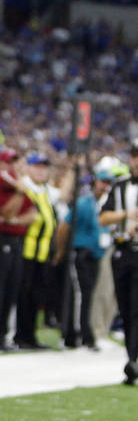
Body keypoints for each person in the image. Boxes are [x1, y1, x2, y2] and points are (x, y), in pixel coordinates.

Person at [0, 149, 37, 352]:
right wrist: (19, 194)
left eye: (17, 162)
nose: (14, 167)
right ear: (3, 165)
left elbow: (32, 215)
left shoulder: (17, 187)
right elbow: (6, 213)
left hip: (16, 240)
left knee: (11, 290)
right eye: (11, 162)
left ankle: (3, 336)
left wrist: (16, 220)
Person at [59, 166, 113, 351]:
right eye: (102, 182)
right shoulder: (83, 203)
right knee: (81, 295)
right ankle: (77, 335)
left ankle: (86, 334)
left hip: (96, 254)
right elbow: (64, 227)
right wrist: (61, 251)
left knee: (90, 296)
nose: (104, 186)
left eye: (108, 183)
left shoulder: (104, 205)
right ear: (94, 182)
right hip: (82, 253)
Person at [99, 141, 138, 385]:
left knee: (136, 308)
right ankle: (131, 358)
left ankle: (133, 360)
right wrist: (127, 215)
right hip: (123, 252)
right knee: (125, 308)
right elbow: (103, 217)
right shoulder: (120, 187)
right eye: (135, 156)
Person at [14, 153, 59, 350]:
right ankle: (21, 335)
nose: (41, 171)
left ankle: (30, 335)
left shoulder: (43, 190)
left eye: (44, 167)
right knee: (24, 295)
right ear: (29, 168)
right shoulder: (24, 187)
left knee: (36, 297)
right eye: (37, 167)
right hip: (26, 250)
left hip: (42, 252)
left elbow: (63, 194)